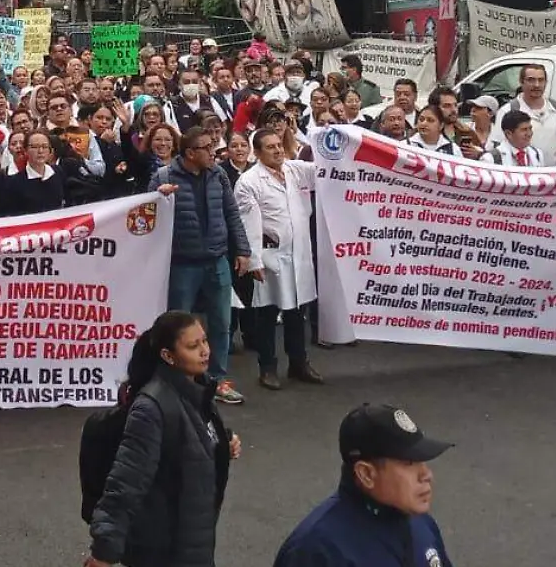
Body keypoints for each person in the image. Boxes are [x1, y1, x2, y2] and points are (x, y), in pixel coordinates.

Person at [86, 311, 239, 567]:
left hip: (193, 543)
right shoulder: (151, 408)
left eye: (204, 341)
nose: (204, 351)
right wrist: (104, 552)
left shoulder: (198, 389)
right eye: (193, 346)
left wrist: (223, 444)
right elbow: (126, 483)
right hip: (164, 551)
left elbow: (195, 439)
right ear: (168, 356)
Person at [273, 403, 454, 567]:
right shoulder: (317, 551)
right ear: (366, 474)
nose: (426, 475)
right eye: (409, 463)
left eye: (422, 461)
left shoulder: (421, 523)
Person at [151, 127, 253, 406]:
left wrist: (243, 249)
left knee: (221, 323)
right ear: (189, 153)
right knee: (179, 327)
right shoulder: (164, 177)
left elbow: (231, 213)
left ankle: (217, 380)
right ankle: (179, 382)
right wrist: (159, 198)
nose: (213, 152)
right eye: (206, 148)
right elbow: (145, 216)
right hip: (182, 264)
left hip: (216, 260)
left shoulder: (218, 175)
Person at [234, 130, 322, 391]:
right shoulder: (249, 181)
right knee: (268, 315)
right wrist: (255, 262)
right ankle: (268, 368)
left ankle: (298, 363)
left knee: (297, 312)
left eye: (279, 145)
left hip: (300, 253)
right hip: (272, 257)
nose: (277, 150)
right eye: (270, 147)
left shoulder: (295, 170)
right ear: (258, 153)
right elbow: (249, 224)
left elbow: (325, 171)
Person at [507, 63, 556, 154]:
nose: (537, 85)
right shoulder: (508, 111)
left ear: (546, 82)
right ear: (521, 82)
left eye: (541, 80)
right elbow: (498, 147)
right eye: (531, 80)